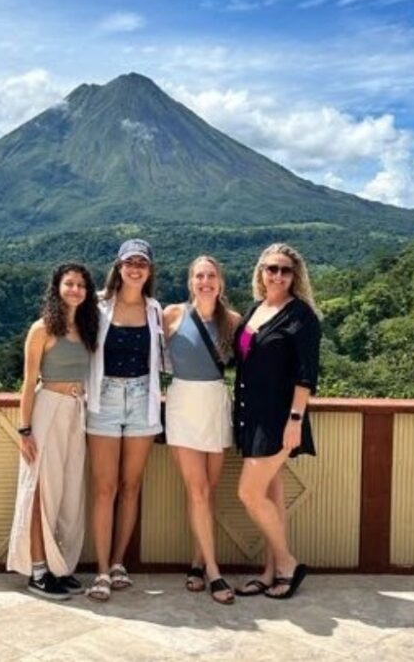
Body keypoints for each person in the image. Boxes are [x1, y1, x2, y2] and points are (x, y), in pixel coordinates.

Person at [232, 243, 322, 599]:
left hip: (279, 418)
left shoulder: (302, 316)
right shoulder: (255, 309)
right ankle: (270, 573)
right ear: (261, 272)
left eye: (285, 270)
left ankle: (287, 564)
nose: (278, 276)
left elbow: (306, 375)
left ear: (295, 276)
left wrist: (295, 420)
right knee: (271, 493)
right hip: (251, 415)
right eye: (272, 268)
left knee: (248, 493)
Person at [7, 263, 99, 599]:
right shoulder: (42, 329)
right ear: (57, 288)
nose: (75, 290)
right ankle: (38, 570)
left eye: (81, 285)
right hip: (48, 410)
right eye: (69, 284)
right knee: (40, 493)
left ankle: (59, 566)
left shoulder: (87, 328)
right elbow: (29, 383)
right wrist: (24, 429)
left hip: (76, 412)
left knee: (67, 494)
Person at [84, 239, 166, 601]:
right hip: (104, 398)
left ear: (149, 271)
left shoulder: (155, 310)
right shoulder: (98, 306)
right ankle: (100, 570)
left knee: (131, 486)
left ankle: (118, 563)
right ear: (118, 267)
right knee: (105, 488)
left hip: (143, 397)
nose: (135, 269)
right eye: (129, 262)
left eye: (142, 264)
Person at [163, 255, 241, 605]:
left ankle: (196, 561)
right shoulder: (172, 315)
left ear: (220, 281)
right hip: (183, 403)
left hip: (215, 403)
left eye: (211, 276)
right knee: (196, 491)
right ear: (190, 281)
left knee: (209, 490)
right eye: (199, 276)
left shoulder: (234, 321)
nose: (205, 281)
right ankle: (213, 570)